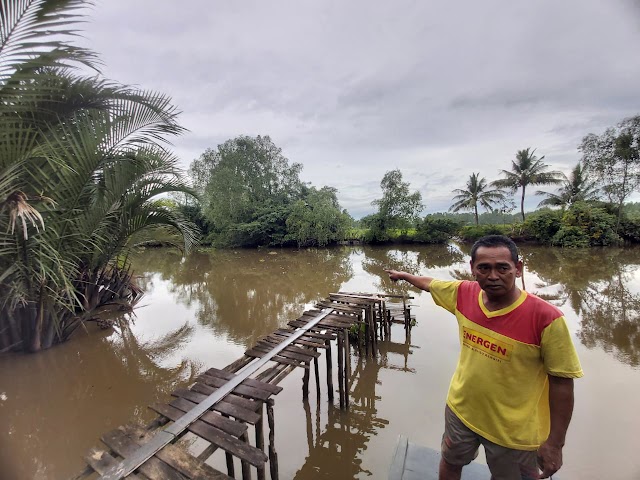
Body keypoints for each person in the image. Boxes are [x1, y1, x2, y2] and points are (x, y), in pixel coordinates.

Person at [385, 235, 583, 480]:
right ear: (472, 269)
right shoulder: (463, 293)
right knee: (450, 461)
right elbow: (430, 284)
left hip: (515, 431)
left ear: (518, 268)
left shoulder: (546, 318)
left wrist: (555, 443)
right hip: (461, 411)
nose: (493, 276)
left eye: (502, 267)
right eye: (484, 268)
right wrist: (404, 276)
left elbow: (562, 384)